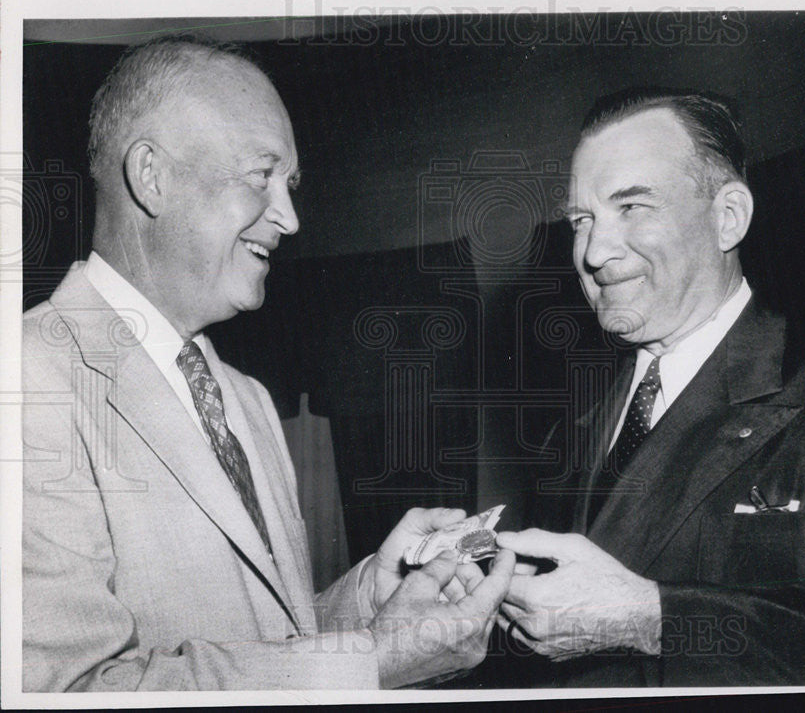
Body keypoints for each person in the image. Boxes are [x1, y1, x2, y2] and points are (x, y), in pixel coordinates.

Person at [21, 36, 513, 692]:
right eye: (262, 175)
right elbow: (67, 692)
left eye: (291, 185)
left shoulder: (245, 396)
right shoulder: (29, 377)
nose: (289, 217)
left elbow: (270, 640)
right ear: (151, 176)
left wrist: (372, 595)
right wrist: (379, 659)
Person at [496, 89, 805, 686]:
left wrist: (653, 620)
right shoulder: (571, 423)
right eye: (583, 221)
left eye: (632, 207)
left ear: (728, 216)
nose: (595, 252)